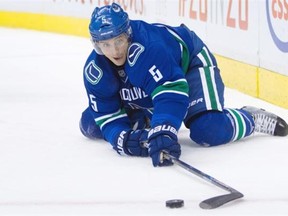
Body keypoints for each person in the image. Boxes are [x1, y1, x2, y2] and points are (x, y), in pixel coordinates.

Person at [79, 3, 288, 167]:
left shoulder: (149, 48)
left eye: (119, 42)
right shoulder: (95, 70)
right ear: (96, 45)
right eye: (106, 45)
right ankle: (147, 117)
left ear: (128, 35)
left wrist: (164, 129)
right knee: (91, 123)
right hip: (151, 83)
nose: (114, 51)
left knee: (208, 129)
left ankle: (250, 118)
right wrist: (123, 141)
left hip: (189, 67)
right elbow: (107, 116)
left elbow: (171, 93)